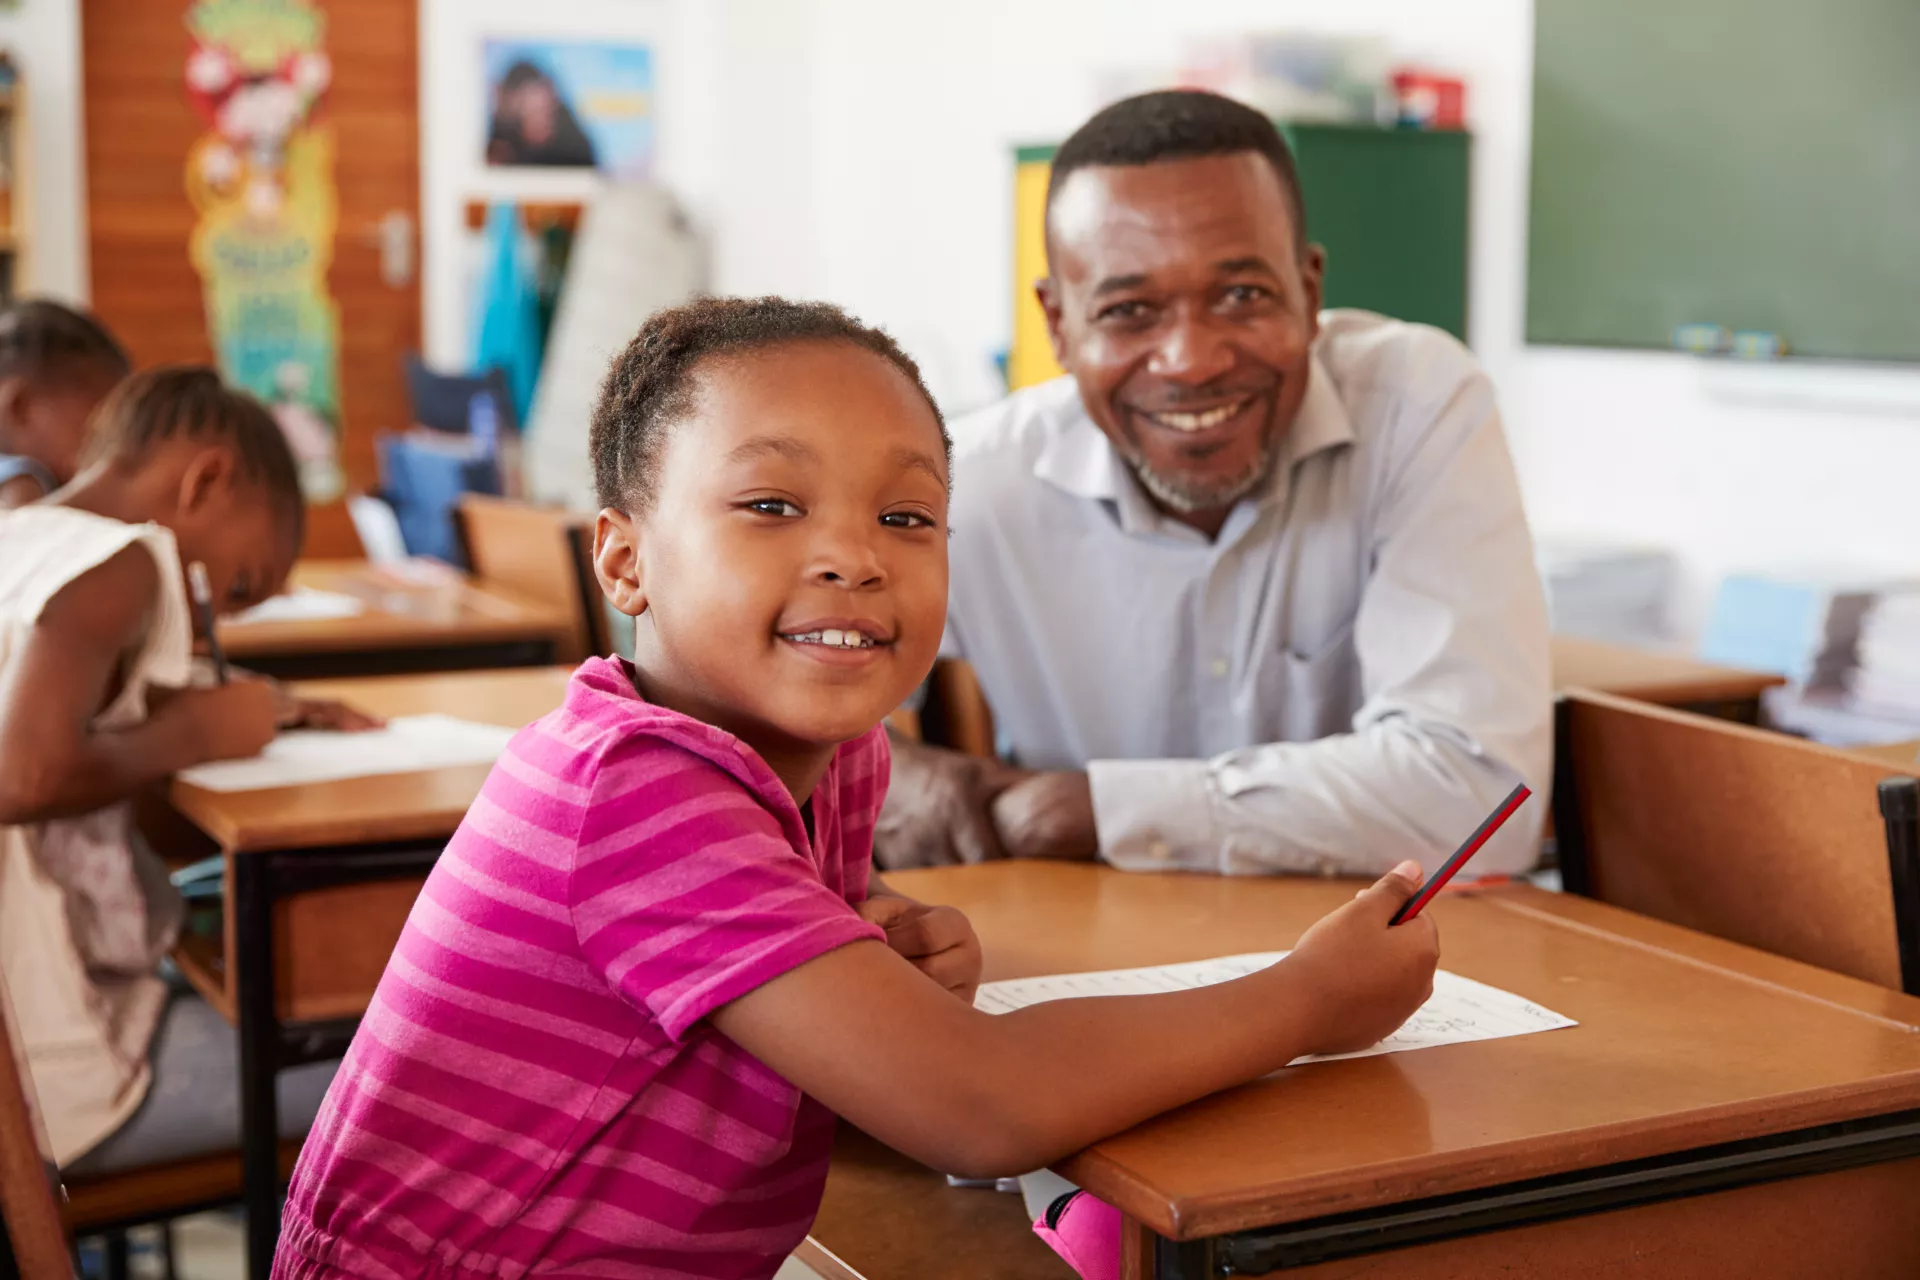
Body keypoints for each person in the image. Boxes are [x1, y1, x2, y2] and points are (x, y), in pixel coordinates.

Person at [272, 297, 1441, 1280]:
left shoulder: (835, 759)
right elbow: (978, 1107)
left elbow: (856, 1049)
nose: (856, 554)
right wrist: (1307, 997)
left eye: (906, 515)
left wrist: (878, 960)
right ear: (624, 557)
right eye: (773, 506)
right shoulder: (631, 785)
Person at [878, 90, 1551, 878]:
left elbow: (1481, 803)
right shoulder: (969, 483)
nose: (1191, 360)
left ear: (1309, 291)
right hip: (1089, 954)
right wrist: (888, 770)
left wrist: (1082, 810)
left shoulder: (1415, 408)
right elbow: (774, 703)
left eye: (1242, 296)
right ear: (1058, 325)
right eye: (1130, 310)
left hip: (1376, 954)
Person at [0, 367, 372, 1177]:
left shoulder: (23, 534)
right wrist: (195, 733)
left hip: (27, 1039)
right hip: (50, 1087)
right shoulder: (124, 560)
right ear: (208, 480)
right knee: (395, 1079)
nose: (214, 625)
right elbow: (20, 778)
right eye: (237, 588)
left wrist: (270, 705)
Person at [0, 298, 131, 509]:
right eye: (95, 430)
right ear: (21, 408)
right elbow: (28, 532)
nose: (108, 447)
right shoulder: (21, 478)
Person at [486, 59, 598, 168]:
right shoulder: (499, 150)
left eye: (548, 112)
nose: (544, 122)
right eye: (534, 112)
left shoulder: (573, 149)